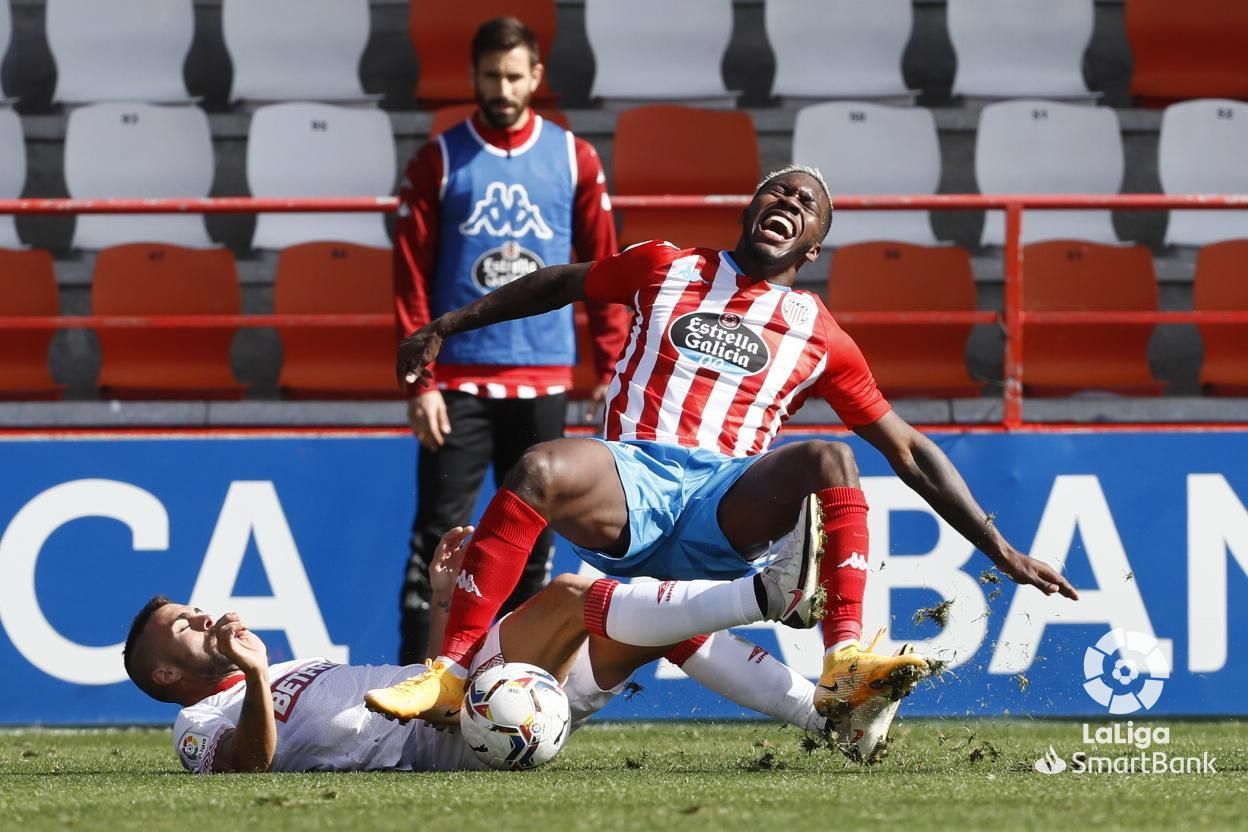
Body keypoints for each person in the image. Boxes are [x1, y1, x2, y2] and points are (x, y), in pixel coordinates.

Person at [367, 164, 1080, 725]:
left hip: (721, 506)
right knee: (538, 466)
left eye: (806, 206)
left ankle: (845, 666)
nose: (790, 203)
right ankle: (450, 675)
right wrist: (447, 326)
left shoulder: (819, 332)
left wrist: (999, 548)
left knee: (831, 457)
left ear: (814, 245)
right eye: (779, 192)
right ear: (750, 209)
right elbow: (562, 281)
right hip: (631, 482)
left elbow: (909, 449)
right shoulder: (666, 267)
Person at [124, 518, 910, 774]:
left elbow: (413, 684)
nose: (206, 617)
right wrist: (259, 679)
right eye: (187, 627)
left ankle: (829, 720)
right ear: (166, 673)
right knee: (574, 595)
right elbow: (238, 773)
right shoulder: (196, 727)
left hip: (472, 705)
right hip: (456, 742)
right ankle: (767, 595)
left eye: (194, 609)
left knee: (646, 631)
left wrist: (444, 601)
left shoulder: (288, 667)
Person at [392, 16, 628, 664]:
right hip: (458, 383)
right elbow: (409, 276)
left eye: (514, 75)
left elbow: (602, 267)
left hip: (544, 375)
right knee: (436, 539)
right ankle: (415, 681)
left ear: (536, 77)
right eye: (491, 75)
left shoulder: (574, 157)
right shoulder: (437, 160)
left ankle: (514, 686)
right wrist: (421, 380)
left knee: (530, 542)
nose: (503, 87)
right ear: (473, 76)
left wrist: (610, 365)